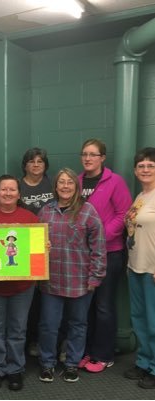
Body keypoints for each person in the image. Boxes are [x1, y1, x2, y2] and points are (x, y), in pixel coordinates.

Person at [38, 168, 106, 383]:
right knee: (49, 324)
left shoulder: (88, 211)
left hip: (80, 281)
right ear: (55, 187)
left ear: (76, 187)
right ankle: (47, 364)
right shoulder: (45, 212)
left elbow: (99, 248)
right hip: (51, 281)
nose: (65, 186)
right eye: (61, 182)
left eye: (70, 182)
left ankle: (71, 364)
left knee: (78, 324)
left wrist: (95, 277)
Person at [0, 175, 38, 392]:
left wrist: (43, 246)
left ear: (19, 194)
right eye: (3, 189)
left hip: (22, 286)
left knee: (18, 329)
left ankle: (15, 369)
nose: (8, 193)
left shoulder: (31, 218)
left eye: (12, 190)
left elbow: (35, 252)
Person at [78, 139, 132, 373]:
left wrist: (100, 238)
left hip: (109, 253)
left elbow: (123, 214)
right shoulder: (77, 182)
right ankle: (88, 351)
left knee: (104, 306)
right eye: (84, 154)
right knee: (86, 306)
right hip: (84, 256)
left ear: (102, 158)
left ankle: (104, 355)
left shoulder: (114, 181)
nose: (88, 158)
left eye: (93, 154)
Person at [124, 147, 155, 389]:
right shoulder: (141, 196)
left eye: (151, 165)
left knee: (154, 320)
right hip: (135, 266)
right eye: (141, 166)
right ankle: (144, 361)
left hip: (152, 268)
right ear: (135, 171)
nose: (145, 169)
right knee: (139, 317)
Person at [20, 148, 54, 358]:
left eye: (40, 161)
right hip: (22, 248)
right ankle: (28, 340)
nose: (35, 165)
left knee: (46, 298)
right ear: (25, 165)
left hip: (49, 246)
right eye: (31, 161)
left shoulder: (53, 185)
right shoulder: (18, 186)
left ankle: (43, 342)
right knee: (27, 299)